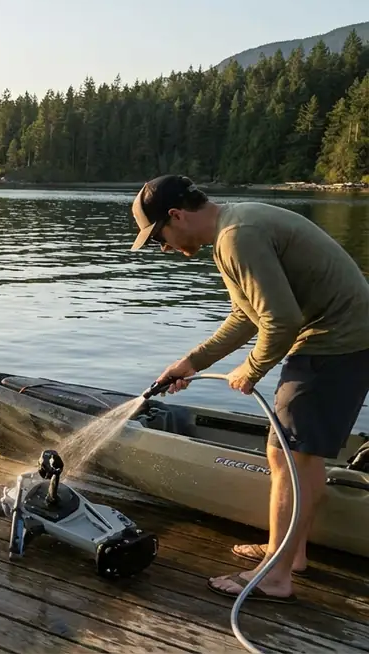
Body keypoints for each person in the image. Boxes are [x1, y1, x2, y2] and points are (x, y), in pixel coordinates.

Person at [131, 175, 369, 603]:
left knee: (290, 457)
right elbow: (246, 317)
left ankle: (276, 575)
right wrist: (191, 362)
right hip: (339, 342)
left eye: (159, 238)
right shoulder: (233, 230)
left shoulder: (237, 237)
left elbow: (281, 321)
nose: (163, 248)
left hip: (336, 344)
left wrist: (251, 369)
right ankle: (291, 553)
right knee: (295, 455)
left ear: (176, 216)